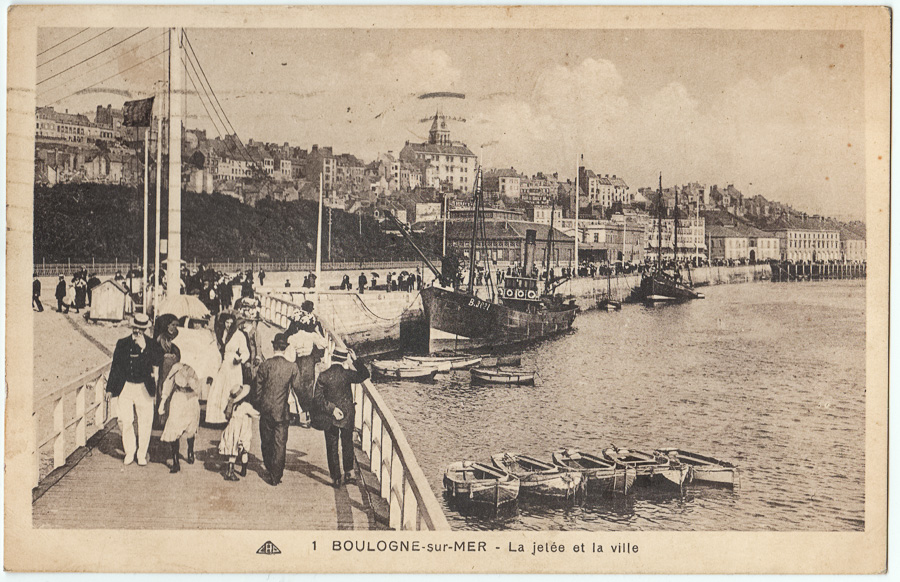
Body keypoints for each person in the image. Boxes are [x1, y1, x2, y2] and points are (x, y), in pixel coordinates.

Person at [105, 314, 162, 466]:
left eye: (142, 329)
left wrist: (144, 348)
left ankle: (142, 453)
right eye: (136, 328)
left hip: (144, 387)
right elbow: (115, 367)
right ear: (132, 327)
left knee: (145, 421)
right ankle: (130, 451)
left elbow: (157, 362)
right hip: (126, 386)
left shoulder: (151, 345)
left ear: (145, 329)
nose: (138, 331)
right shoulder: (122, 343)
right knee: (125, 420)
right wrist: (110, 388)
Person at [311, 347, 369, 488]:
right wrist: (355, 360)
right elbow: (364, 374)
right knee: (347, 443)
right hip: (347, 415)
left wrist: (332, 409)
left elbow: (317, 398)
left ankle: (336, 477)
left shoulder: (324, 375)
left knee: (332, 445)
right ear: (344, 360)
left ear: (332, 358)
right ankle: (349, 473)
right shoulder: (347, 374)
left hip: (330, 415)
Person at [253, 333, 302, 485]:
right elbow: (299, 389)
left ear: (274, 347)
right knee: (280, 444)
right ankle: (276, 476)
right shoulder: (292, 367)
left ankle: (269, 467)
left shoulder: (265, 365)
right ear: (285, 348)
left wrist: (259, 405)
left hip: (266, 410)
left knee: (266, 441)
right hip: (282, 411)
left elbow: (257, 390)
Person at [206, 318, 252, 425]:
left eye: (231, 323)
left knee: (232, 389)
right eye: (227, 322)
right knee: (219, 388)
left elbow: (245, 352)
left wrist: (241, 359)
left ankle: (230, 415)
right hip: (223, 364)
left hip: (234, 365)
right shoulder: (221, 333)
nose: (229, 325)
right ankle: (218, 417)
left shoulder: (239, 335)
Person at [158, 361, 202, 473]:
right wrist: (163, 401)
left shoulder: (196, 368)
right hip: (178, 398)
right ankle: (176, 462)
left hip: (191, 399)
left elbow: (199, 388)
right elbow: (168, 382)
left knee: (191, 428)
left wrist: (192, 382)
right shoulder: (176, 367)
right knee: (173, 427)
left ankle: (190, 450)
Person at [218, 383, 258, 481]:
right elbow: (256, 414)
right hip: (242, 430)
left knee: (233, 450)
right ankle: (241, 470)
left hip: (232, 429)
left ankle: (230, 470)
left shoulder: (231, 405)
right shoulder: (246, 406)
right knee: (244, 449)